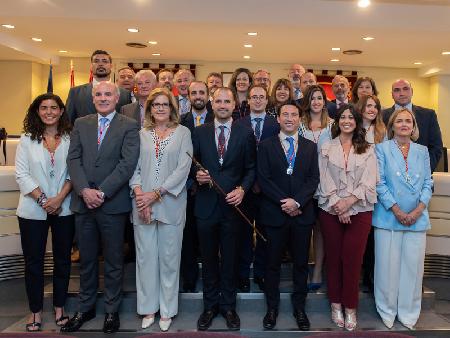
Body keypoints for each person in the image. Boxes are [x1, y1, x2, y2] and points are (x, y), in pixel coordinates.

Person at [62, 82, 140, 334]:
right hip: (83, 203)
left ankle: (111, 311)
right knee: (86, 260)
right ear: (93, 98)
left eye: (108, 94)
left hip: (112, 204)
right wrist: (84, 190)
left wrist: (102, 192)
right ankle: (85, 308)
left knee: (114, 261)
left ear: (117, 98)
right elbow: (72, 159)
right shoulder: (81, 123)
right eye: (99, 94)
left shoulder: (129, 125)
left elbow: (127, 164)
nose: (103, 98)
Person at [129, 88, 192, 332]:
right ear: (149, 109)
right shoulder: (141, 134)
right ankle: (148, 308)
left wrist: (155, 194)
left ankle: (167, 310)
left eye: (165, 104)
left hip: (171, 204)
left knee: (168, 259)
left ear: (172, 108)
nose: (161, 108)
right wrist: (140, 196)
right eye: (156, 105)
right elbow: (132, 168)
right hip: (141, 205)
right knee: (145, 259)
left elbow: (183, 168)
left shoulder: (183, 133)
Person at [193, 87, 256, 331]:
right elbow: (191, 164)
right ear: (212, 103)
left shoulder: (245, 132)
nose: (222, 105)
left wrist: (242, 189)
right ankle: (210, 307)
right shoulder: (199, 132)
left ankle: (229, 307)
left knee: (230, 259)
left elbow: (251, 169)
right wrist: (197, 176)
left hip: (233, 208)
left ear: (233, 105)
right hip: (206, 206)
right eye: (217, 101)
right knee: (208, 261)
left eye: (226, 101)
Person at [15, 93, 74, 332]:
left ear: (61, 111)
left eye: (53, 108)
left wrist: (59, 198)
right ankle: (35, 311)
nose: (49, 112)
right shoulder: (27, 139)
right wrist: (43, 200)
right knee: (34, 263)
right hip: (32, 210)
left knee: (62, 260)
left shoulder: (71, 138)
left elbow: (75, 171)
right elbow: (22, 174)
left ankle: (60, 307)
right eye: (44, 108)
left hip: (65, 207)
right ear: (37, 111)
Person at [258, 103, 319, 331]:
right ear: (279, 119)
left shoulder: (310, 147)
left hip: (302, 215)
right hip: (275, 214)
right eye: (286, 114)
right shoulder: (265, 146)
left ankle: (299, 308)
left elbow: (313, 179)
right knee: (272, 265)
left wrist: (298, 202)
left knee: (301, 265)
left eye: (294, 114)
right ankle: (271, 308)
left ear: (299, 119)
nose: (290, 118)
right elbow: (263, 179)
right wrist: (285, 202)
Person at [316, 104, 377, 331]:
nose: (347, 121)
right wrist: (337, 205)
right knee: (334, 258)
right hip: (330, 209)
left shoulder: (369, 148)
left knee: (352, 260)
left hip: (360, 210)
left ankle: (350, 307)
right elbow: (323, 178)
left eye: (351, 117)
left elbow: (370, 181)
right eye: (343, 117)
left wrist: (348, 204)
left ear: (357, 121)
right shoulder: (326, 146)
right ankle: (335, 304)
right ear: (337, 121)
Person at [373, 108, 433, 330]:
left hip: (417, 217)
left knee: (413, 267)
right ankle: (387, 309)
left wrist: (418, 210)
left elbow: (428, 182)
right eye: (400, 120)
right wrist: (397, 210)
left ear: (414, 126)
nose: (405, 124)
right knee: (387, 267)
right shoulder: (381, 149)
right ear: (392, 125)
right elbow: (379, 183)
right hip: (389, 216)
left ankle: (409, 311)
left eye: (409, 121)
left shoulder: (422, 151)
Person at [235, 85, 280, 292]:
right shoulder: (239, 123)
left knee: (265, 235)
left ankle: (261, 273)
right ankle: (243, 274)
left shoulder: (276, 124)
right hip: (244, 188)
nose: (258, 100)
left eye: (262, 97)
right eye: (254, 97)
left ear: (267, 100)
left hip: (268, 190)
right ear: (249, 101)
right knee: (243, 234)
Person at [298, 85, 334, 292]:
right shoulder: (299, 124)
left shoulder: (333, 125)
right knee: (303, 230)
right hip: (302, 185)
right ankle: (302, 269)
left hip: (326, 184)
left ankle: (318, 270)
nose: (317, 102)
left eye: (320, 98)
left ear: (324, 101)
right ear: (307, 102)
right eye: (313, 98)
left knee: (320, 229)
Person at [180, 81, 214, 292]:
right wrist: (192, 179)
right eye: (194, 93)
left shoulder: (218, 118)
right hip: (187, 189)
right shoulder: (180, 122)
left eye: (202, 92)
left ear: (208, 95)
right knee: (188, 237)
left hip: (212, 187)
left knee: (211, 238)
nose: (198, 96)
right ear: (188, 96)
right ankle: (190, 279)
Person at [355, 94, 386, 294]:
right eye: (368, 106)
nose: (371, 109)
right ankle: (357, 274)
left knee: (374, 235)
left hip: (378, 188)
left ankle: (370, 276)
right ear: (361, 108)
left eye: (375, 106)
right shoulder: (353, 129)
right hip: (356, 189)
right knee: (359, 236)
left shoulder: (383, 132)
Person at [382, 79, 443, 173]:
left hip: (422, 178)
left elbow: (436, 148)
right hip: (390, 178)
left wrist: (423, 171)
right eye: (397, 90)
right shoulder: (381, 116)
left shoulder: (428, 115)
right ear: (392, 94)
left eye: (405, 89)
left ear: (412, 91)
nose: (401, 93)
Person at [66, 50, 131, 123]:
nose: (100, 64)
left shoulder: (125, 94)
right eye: (96, 61)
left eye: (105, 61)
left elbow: (127, 122)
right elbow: (68, 122)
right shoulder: (75, 92)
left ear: (111, 66)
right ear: (91, 66)